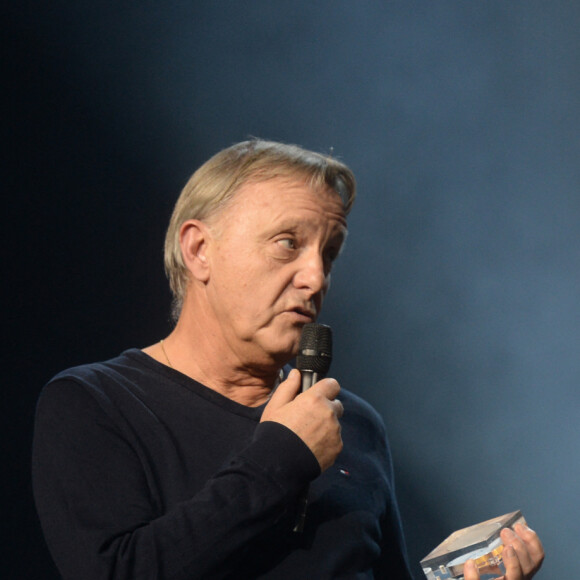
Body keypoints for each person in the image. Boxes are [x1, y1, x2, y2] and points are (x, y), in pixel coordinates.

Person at [32, 139, 544, 579]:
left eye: (329, 254)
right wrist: (282, 457)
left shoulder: (354, 424)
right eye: (288, 243)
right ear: (199, 249)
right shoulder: (94, 405)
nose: (315, 278)